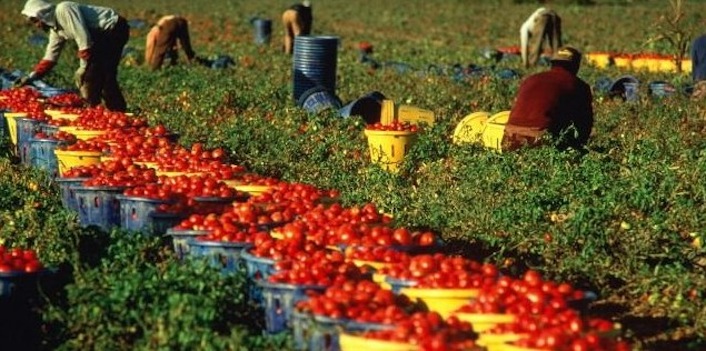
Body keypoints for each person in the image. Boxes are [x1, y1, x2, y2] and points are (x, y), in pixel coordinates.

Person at [14, 0, 129, 112]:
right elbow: (50, 57)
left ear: (43, 13)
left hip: (114, 28)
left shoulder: (64, 9)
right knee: (98, 74)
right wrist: (31, 77)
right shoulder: (56, 30)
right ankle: (104, 111)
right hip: (100, 35)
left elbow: (83, 39)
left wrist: (83, 68)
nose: (37, 25)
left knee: (98, 74)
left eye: (35, 20)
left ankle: (111, 112)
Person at [503, 46, 594, 151]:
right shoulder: (578, 85)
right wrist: (579, 147)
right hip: (540, 137)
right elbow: (584, 123)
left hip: (509, 135)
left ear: (552, 63)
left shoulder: (531, 79)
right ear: (576, 66)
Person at [690, 34, 706, 99]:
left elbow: (694, 62)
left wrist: (695, 80)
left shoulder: (698, 41)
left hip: (701, 79)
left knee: (696, 105)